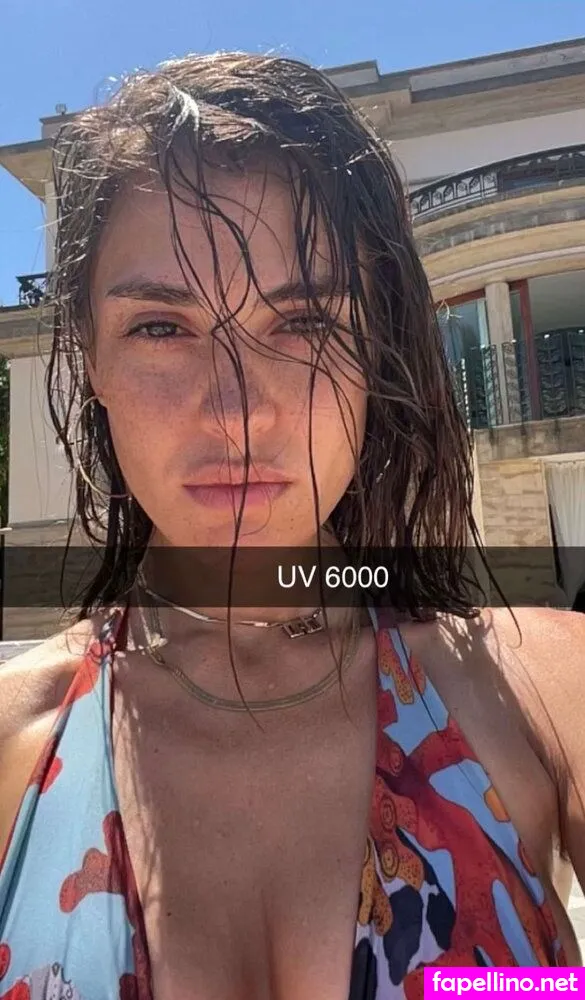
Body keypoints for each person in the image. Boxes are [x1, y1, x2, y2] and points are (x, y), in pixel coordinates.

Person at [0, 52, 583, 1000]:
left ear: (372, 354)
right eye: (161, 327)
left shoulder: (544, 692)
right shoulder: (11, 740)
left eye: (304, 323)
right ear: (91, 359)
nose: (237, 412)